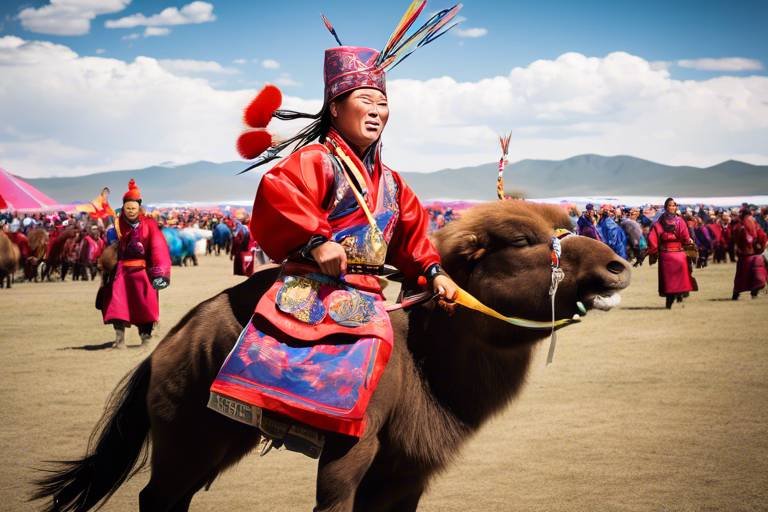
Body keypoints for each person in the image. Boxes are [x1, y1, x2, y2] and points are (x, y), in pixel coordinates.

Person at [99, 179, 171, 348]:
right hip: (121, 272)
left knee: (146, 305)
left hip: (143, 272)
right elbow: (109, 247)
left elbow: (158, 248)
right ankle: (119, 341)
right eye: (127, 207)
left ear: (139, 207)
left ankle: (146, 339)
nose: (130, 210)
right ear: (123, 207)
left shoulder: (149, 225)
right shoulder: (116, 226)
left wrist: (160, 272)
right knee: (117, 305)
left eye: (133, 207)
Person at [647, 197, 697, 308]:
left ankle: (671, 301)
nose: (672, 207)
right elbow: (685, 238)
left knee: (669, 282)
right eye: (670, 205)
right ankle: (677, 297)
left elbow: (652, 240)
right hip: (676, 255)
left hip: (668, 255)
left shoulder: (659, 222)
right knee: (679, 280)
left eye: (674, 205)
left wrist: (653, 251)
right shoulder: (680, 221)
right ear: (666, 207)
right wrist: (689, 241)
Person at [731, 208, 767, 300]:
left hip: (745, 255)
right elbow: (762, 237)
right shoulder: (753, 222)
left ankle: (736, 294)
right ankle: (753, 293)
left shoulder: (738, 225)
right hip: (754, 255)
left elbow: (734, 238)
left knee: (741, 277)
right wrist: (760, 247)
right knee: (756, 275)